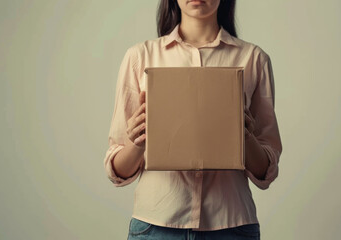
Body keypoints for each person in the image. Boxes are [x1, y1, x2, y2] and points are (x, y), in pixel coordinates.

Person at [103, 0, 283, 239]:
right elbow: (116, 169)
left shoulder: (253, 59)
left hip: (231, 226)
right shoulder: (140, 57)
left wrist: (243, 135)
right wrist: (138, 142)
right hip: (156, 226)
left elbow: (266, 172)